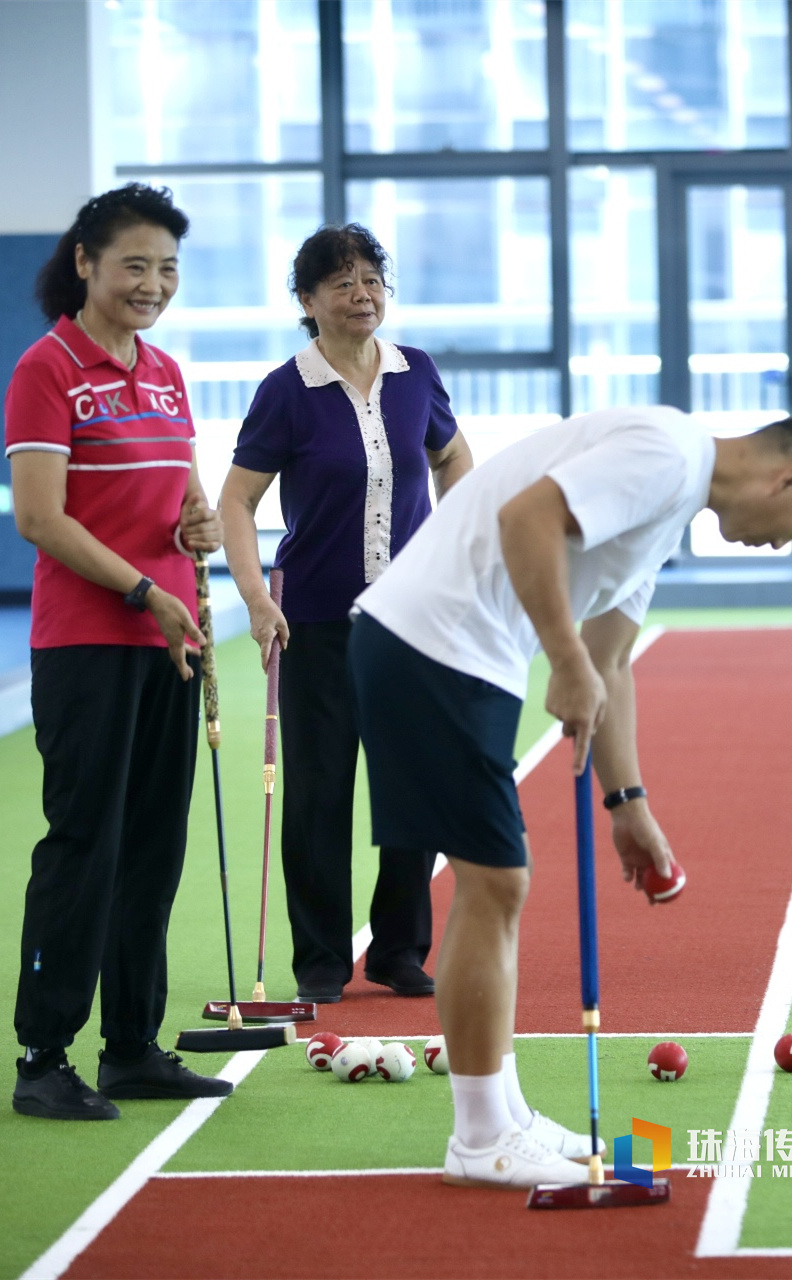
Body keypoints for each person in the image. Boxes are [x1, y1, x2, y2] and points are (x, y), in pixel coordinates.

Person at [347, 407, 792, 1187]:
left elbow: (610, 660)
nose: (786, 540)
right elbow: (530, 518)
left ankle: (504, 1116)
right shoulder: (667, 454)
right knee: (496, 882)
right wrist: (562, 659)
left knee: (495, 885)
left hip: (457, 653)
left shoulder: (670, 507)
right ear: (788, 476)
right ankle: (481, 1136)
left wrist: (629, 805)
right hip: (435, 644)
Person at [6, 184, 233, 1121]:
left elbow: (179, 496)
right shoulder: (46, 368)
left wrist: (197, 527)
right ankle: (42, 1055)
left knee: (152, 848)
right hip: (90, 646)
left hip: (169, 643)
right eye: (134, 264)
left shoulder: (168, 371)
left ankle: (133, 1045)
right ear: (87, 262)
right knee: (85, 847)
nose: (152, 283)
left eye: (167, 268)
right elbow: (40, 519)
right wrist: (141, 589)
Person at [220, 223, 472, 1005]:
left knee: (414, 787)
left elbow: (453, 458)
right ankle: (322, 959)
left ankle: (399, 950)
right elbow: (236, 501)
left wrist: (462, 547)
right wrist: (257, 598)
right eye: (343, 283)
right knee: (319, 793)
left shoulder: (415, 372)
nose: (363, 295)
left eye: (373, 280)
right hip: (316, 622)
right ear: (308, 300)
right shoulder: (285, 391)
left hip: (413, 621)